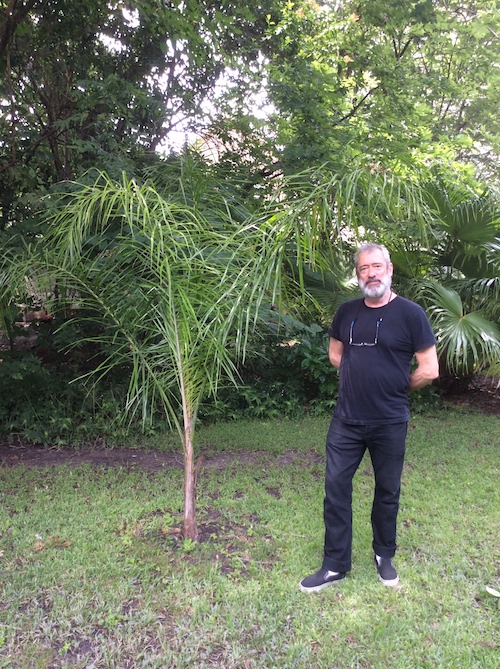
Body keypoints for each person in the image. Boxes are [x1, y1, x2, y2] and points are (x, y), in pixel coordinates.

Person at [300, 243, 439, 592]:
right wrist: (356, 376)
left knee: (387, 489)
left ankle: (384, 554)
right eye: (364, 268)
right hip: (346, 419)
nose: (371, 273)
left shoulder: (411, 314)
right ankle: (334, 564)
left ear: (390, 269)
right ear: (358, 274)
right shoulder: (346, 312)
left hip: (390, 420)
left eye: (377, 266)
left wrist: (396, 387)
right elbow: (335, 353)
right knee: (335, 489)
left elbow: (430, 369)